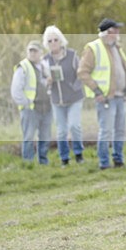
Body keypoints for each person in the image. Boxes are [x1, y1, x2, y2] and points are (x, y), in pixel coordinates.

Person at [78, 18, 126, 170]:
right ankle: (104, 163)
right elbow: (83, 72)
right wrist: (97, 91)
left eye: (117, 31)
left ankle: (118, 160)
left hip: (120, 96)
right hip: (105, 98)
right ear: (107, 32)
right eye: (114, 31)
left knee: (120, 130)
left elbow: (124, 71)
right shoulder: (93, 48)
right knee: (106, 131)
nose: (117, 34)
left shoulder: (117, 47)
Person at [42, 25, 85, 167]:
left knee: (74, 126)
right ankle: (64, 158)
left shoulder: (72, 55)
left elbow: (81, 75)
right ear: (46, 44)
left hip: (74, 98)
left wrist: (74, 87)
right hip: (57, 100)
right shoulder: (45, 60)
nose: (53, 43)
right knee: (61, 132)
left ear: (61, 40)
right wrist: (47, 82)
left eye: (55, 40)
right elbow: (42, 81)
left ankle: (79, 154)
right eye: (50, 41)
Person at [10, 40, 52, 164]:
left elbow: (42, 84)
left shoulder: (45, 66)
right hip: (30, 109)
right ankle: (28, 164)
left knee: (45, 137)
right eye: (30, 51)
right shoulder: (23, 67)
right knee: (28, 137)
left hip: (46, 107)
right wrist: (26, 103)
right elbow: (16, 90)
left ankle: (43, 162)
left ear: (41, 53)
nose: (33, 54)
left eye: (35, 51)